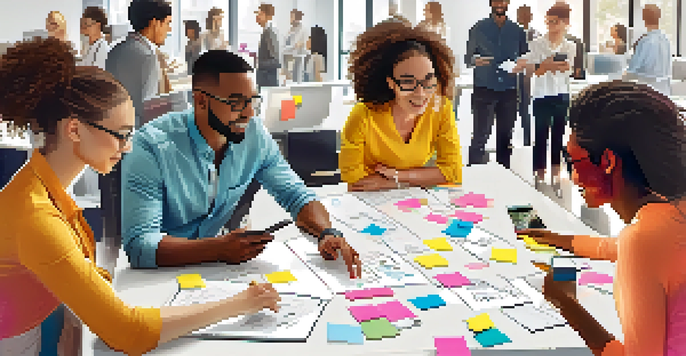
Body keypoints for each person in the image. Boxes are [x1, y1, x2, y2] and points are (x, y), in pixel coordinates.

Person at [0, 37, 281, 356]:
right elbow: (127, 333)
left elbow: (82, 278)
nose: (128, 147)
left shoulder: (45, 188)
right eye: (120, 135)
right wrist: (241, 303)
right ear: (75, 130)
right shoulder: (36, 216)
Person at [120, 50, 363, 278]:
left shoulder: (254, 134)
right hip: (157, 275)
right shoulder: (150, 146)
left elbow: (296, 195)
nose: (248, 113)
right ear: (201, 101)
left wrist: (327, 233)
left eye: (252, 101)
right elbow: (140, 245)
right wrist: (217, 249)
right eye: (236, 102)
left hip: (215, 270)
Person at [519, 80, 686, 355]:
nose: (573, 178)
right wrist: (559, 240)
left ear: (608, 162)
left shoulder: (643, 240)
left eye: (574, 163)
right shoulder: (671, 212)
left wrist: (567, 305)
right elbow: (616, 248)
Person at [340, 21, 462, 191]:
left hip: (411, 199)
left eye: (428, 81)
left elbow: (453, 171)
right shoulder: (363, 115)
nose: (420, 93)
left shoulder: (441, 108)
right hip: (370, 201)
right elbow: (353, 180)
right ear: (391, 83)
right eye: (407, 82)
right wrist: (424, 177)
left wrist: (395, 178)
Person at [103, 0, 172, 276]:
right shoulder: (146, 55)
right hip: (136, 146)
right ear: (154, 22)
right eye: (167, 24)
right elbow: (147, 109)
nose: (168, 30)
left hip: (109, 144)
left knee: (113, 225)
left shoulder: (116, 51)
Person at [513, 2, 575, 197]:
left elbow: (567, 68)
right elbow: (531, 70)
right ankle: (539, 175)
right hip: (541, 95)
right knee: (540, 136)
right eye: (548, 22)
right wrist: (546, 65)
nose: (550, 25)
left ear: (564, 23)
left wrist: (545, 65)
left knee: (558, 136)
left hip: (562, 95)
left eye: (554, 22)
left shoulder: (571, 46)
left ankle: (556, 175)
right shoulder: (536, 44)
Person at [465, 0, 527, 169]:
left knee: (505, 139)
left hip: (509, 91)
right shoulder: (478, 28)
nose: (500, 4)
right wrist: (475, 60)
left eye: (503, 1)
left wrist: (521, 65)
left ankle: (504, 178)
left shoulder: (517, 31)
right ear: (491, 3)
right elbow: (467, 59)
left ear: (508, 3)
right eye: (496, 1)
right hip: (484, 89)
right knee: (479, 137)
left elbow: (525, 57)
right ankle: (474, 179)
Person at [624, 4, 671, 96]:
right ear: (659, 17)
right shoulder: (665, 40)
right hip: (665, 93)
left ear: (643, 18)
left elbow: (633, 70)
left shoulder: (646, 41)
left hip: (647, 93)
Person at [516, 5, 539, 146]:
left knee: (527, 107)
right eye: (522, 14)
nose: (525, 17)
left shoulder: (535, 34)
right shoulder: (511, 33)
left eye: (527, 14)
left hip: (530, 75)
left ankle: (528, 140)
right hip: (515, 74)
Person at [255, 3, 280, 91]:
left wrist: (258, 63)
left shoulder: (270, 32)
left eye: (260, 14)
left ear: (267, 16)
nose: (257, 17)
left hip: (268, 81)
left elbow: (276, 61)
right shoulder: (266, 31)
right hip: (265, 79)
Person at [283, 9, 308, 82]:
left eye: (292, 17)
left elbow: (305, 46)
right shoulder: (290, 30)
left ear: (297, 19)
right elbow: (286, 43)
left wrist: (301, 44)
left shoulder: (303, 30)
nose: (290, 19)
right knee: (289, 81)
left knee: (297, 81)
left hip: (298, 59)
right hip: (288, 58)